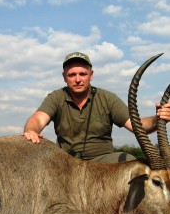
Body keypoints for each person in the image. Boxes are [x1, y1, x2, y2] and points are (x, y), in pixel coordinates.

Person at [23, 51, 170, 163]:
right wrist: (31, 130)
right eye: (72, 75)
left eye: (83, 74)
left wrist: (159, 119)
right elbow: (38, 118)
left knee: (129, 160)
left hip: (102, 161)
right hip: (67, 162)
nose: (78, 79)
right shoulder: (56, 97)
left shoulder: (108, 98)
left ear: (91, 75)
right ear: (64, 77)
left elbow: (137, 125)